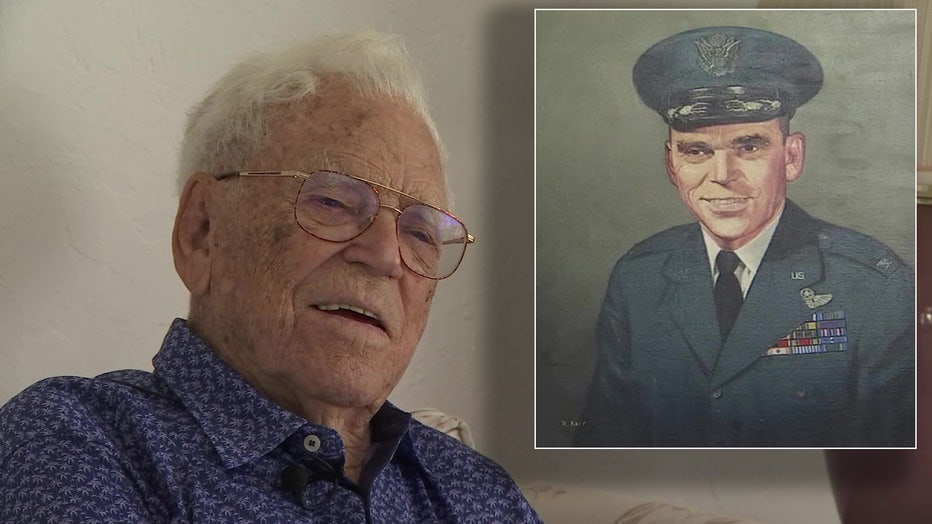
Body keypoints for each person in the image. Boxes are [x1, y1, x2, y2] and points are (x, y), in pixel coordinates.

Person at [0, 32, 540, 522]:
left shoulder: (478, 492)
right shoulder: (82, 439)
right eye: (332, 200)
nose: (385, 256)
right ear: (203, 231)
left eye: (420, 232)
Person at [576, 26, 914, 447]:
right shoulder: (637, 279)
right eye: (696, 151)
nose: (722, 177)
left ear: (791, 157)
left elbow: (887, 467)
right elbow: (604, 445)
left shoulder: (874, 288)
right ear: (671, 165)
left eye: (749, 147)